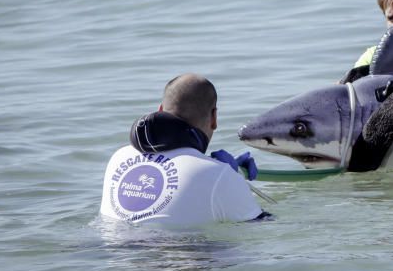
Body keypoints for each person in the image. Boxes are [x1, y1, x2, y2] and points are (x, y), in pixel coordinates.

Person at [100, 74, 270, 226]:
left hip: (115, 256)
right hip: (182, 257)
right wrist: (234, 181)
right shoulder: (220, 175)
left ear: (160, 109)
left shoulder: (118, 157)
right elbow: (263, 227)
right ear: (214, 118)